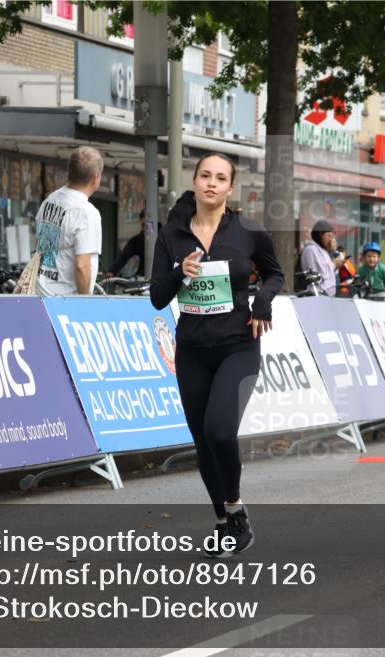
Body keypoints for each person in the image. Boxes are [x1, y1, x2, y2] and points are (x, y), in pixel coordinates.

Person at [150, 153, 284, 558]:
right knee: (203, 443)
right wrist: (179, 272)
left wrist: (262, 302)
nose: (211, 182)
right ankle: (226, 520)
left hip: (238, 346)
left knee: (220, 431)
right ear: (194, 181)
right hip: (191, 350)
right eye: (204, 175)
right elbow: (158, 297)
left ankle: (235, 508)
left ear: (230, 188)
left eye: (220, 177)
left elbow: (275, 273)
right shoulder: (172, 235)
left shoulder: (248, 231)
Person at [34, 147, 104, 296]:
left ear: (69, 172)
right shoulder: (86, 213)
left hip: (39, 294)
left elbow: (38, 244)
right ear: (96, 178)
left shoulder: (50, 200)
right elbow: (82, 265)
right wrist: (84, 303)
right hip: (63, 303)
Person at [107, 209, 163, 278]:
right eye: (143, 225)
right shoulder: (138, 240)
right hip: (144, 275)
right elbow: (124, 256)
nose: (145, 228)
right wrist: (112, 271)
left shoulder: (164, 236)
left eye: (147, 225)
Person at [297, 220, 337, 296]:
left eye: (332, 236)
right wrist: (334, 264)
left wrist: (332, 252)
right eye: (329, 236)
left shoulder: (323, 250)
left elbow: (331, 274)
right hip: (316, 295)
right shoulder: (311, 249)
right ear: (320, 235)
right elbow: (320, 274)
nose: (331, 239)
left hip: (326, 296)